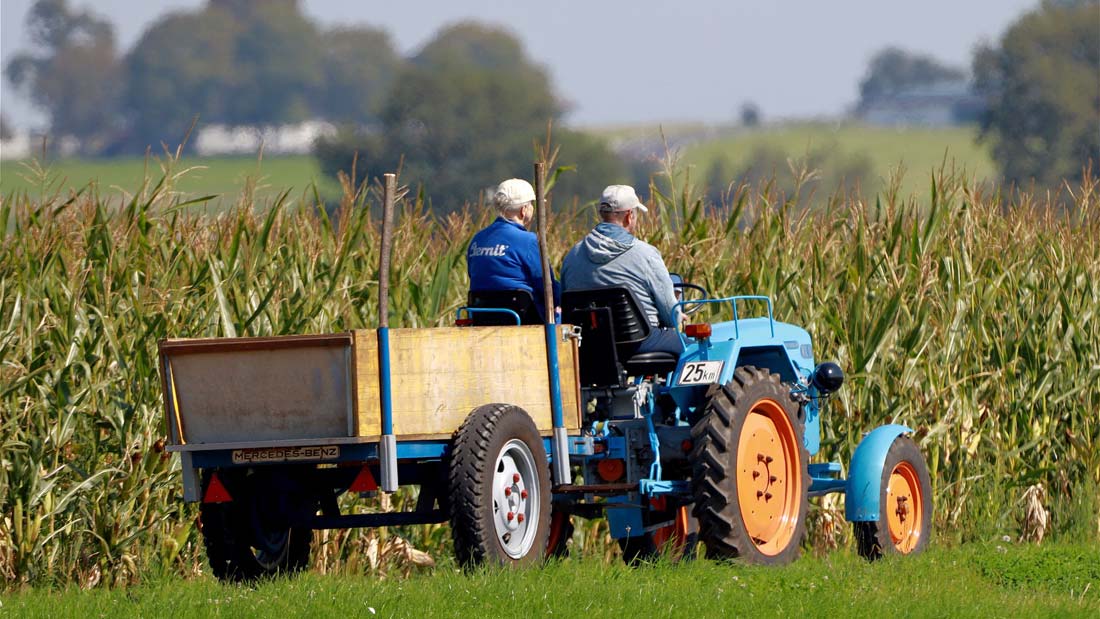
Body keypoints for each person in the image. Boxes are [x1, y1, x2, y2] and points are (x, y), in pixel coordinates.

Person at [561, 184, 683, 355]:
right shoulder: (646, 254)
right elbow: (671, 316)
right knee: (693, 348)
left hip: (591, 347)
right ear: (629, 216)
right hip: (639, 343)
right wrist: (678, 316)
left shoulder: (572, 256)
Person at [467, 178, 560, 322]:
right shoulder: (529, 241)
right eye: (531, 205)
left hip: (481, 318)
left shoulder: (477, 239)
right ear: (524, 210)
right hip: (522, 319)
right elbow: (547, 287)